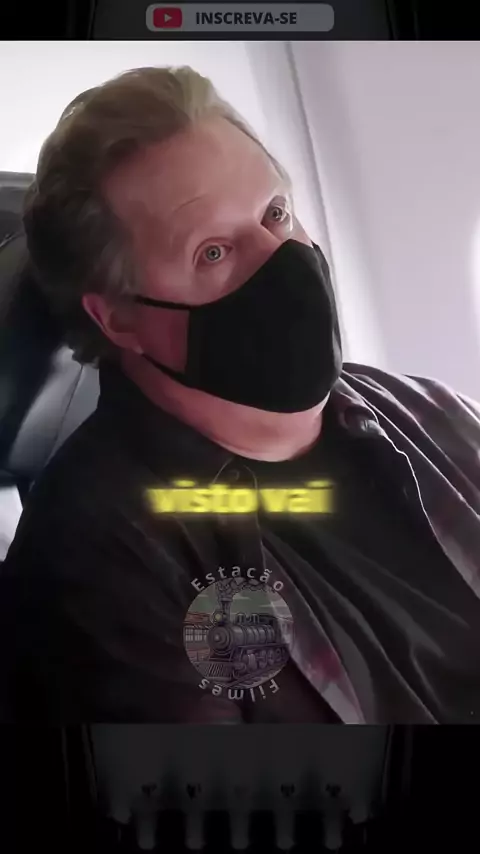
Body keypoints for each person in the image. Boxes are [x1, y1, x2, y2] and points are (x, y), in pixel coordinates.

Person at [1, 66, 479, 725]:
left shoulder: (429, 412)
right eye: (214, 252)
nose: (281, 257)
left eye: (276, 213)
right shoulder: (103, 564)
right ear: (119, 318)